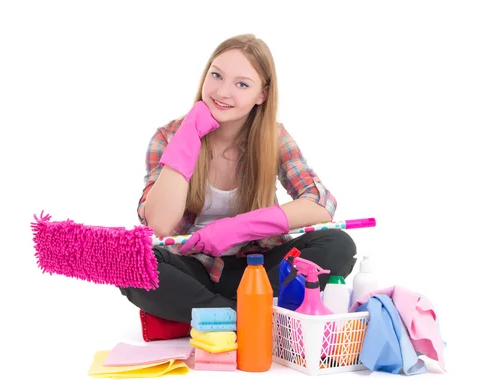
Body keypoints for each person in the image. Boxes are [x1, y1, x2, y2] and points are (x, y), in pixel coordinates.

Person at [119, 34, 357, 340]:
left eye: (241, 84)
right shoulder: (168, 137)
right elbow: (160, 224)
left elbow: (321, 204)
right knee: (132, 263)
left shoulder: (272, 137)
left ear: (262, 95)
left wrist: (237, 228)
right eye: (216, 75)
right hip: (194, 272)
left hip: (261, 271)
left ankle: (219, 319)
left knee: (337, 243)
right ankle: (251, 319)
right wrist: (189, 135)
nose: (222, 92)